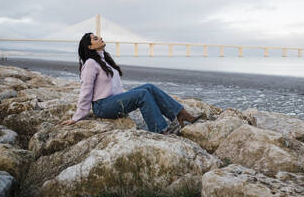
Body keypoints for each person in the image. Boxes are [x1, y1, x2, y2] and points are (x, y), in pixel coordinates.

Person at [61, 33, 202, 134]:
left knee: (149, 87)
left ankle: (181, 115)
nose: (100, 38)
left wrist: (126, 97)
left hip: (113, 101)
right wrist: (77, 117)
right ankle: (160, 130)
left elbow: (114, 87)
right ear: (90, 47)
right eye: (95, 38)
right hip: (102, 106)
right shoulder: (91, 63)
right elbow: (86, 89)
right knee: (142, 94)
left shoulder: (104, 60)